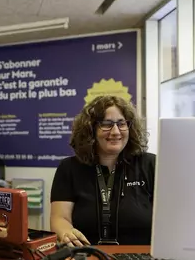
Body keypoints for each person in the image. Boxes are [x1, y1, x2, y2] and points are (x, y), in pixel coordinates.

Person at [50, 95, 154, 246]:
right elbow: (60, 218)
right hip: (88, 257)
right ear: (91, 129)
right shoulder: (69, 168)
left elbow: (171, 219)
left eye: (122, 123)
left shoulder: (150, 165)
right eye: (106, 124)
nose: (116, 131)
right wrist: (66, 233)